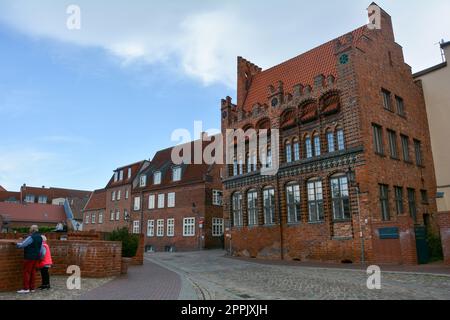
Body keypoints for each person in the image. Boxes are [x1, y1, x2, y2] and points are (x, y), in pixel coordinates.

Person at [16, 225, 43, 294]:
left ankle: (26, 288)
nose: (29, 230)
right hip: (36, 258)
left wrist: (16, 244)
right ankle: (32, 288)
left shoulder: (31, 237)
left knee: (27, 272)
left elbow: (23, 244)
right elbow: (41, 249)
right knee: (33, 273)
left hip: (29, 257)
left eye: (30, 229)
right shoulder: (40, 237)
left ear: (32, 230)